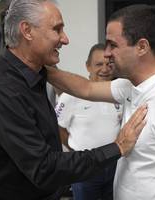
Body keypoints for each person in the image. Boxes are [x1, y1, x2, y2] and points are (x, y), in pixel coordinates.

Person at [0, 1, 147, 200]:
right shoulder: (2, 91)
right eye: (57, 29)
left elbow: (85, 88)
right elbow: (44, 168)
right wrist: (117, 147)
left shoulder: (32, 74)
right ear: (27, 30)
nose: (65, 39)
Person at [46, 4, 155, 200]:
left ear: (142, 47)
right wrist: (39, 65)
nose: (106, 53)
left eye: (113, 45)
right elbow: (86, 88)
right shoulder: (129, 86)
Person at [55, 43, 122, 200]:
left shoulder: (119, 93)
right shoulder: (71, 95)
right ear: (88, 66)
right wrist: (74, 151)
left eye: (109, 64)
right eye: (99, 64)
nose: (105, 69)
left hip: (114, 166)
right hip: (85, 168)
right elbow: (58, 128)